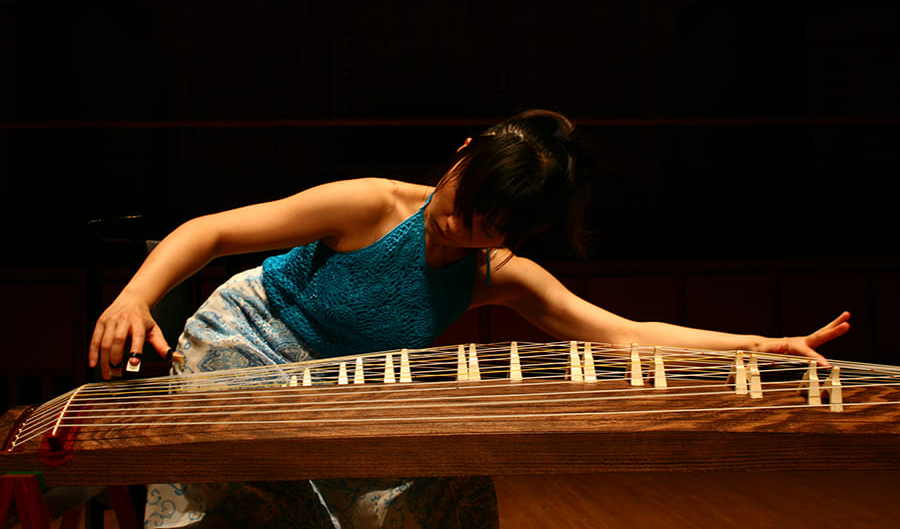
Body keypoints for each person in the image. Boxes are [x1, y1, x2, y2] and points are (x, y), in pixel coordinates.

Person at [88, 109, 850, 528]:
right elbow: (212, 231)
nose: (459, 229)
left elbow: (619, 331)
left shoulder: (496, 276)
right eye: (461, 203)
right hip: (246, 345)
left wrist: (763, 344)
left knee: (447, 491)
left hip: (338, 390)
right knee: (253, 488)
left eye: (489, 228)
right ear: (460, 154)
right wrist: (135, 296)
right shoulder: (372, 204)